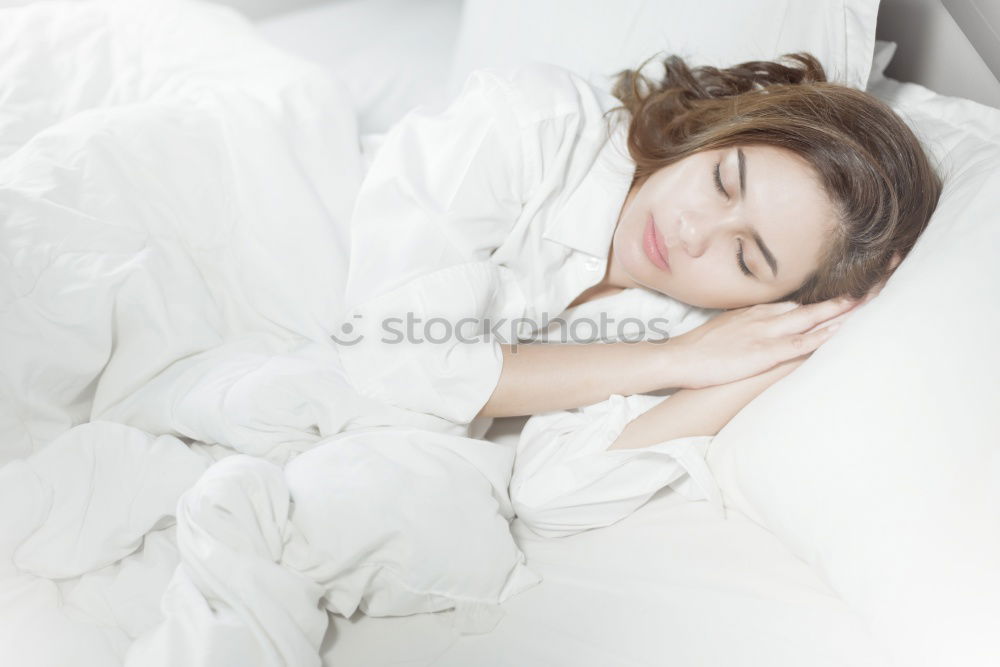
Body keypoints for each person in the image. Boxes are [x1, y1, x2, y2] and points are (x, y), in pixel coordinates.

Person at [335, 51, 942, 442]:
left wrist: (781, 352)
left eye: (745, 259)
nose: (691, 232)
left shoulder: (687, 320)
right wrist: (675, 359)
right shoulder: (533, 122)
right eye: (721, 180)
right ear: (720, 129)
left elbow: (554, 495)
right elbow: (393, 357)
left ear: (779, 299)